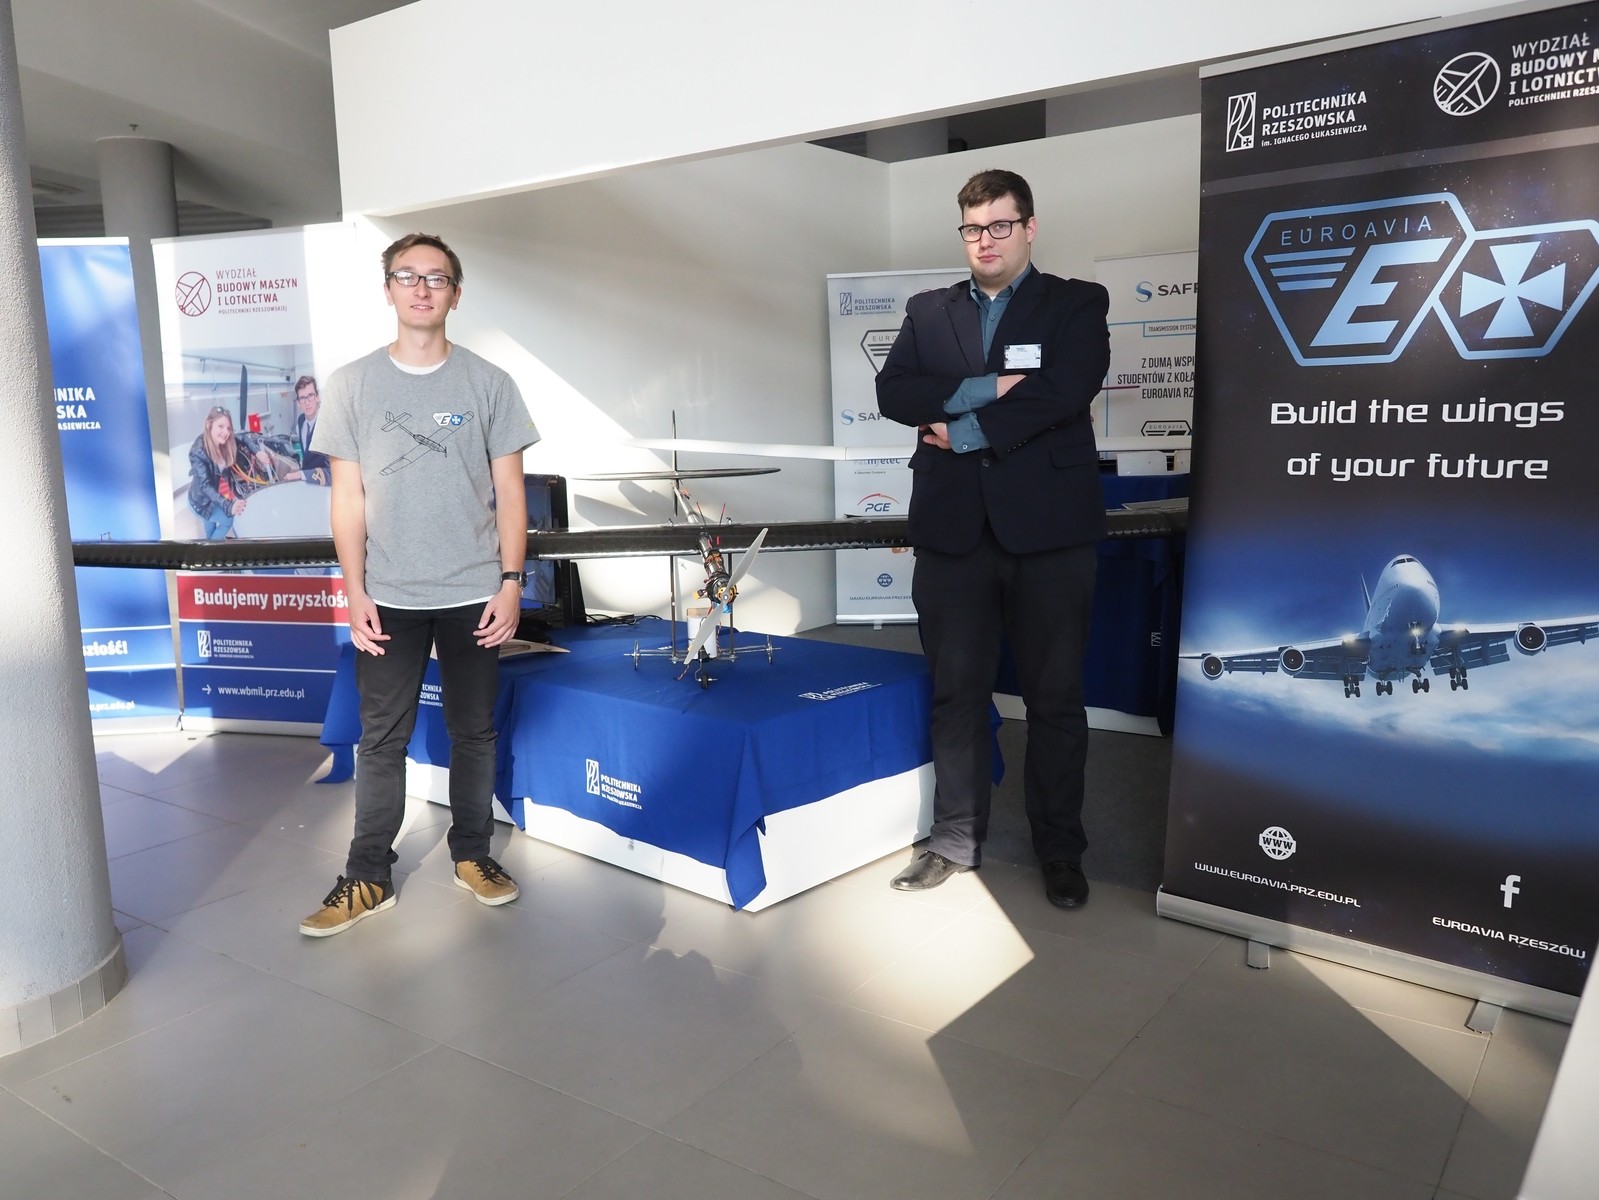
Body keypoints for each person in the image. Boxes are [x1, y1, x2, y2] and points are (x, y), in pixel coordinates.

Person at [876, 169, 1109, 908]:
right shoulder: (928, 310)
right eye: (973, 229)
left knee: (1055, 699)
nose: (985, 241)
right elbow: (893, 392)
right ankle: (954, 839)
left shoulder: (1075, 302)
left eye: (1000, 226)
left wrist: (964, 429)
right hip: (953, 533)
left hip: (1050, 533)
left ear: (1028, 228)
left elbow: (1067, 388)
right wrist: (987, 388)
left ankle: (1060, 847)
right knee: (956, 695)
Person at [299, 232, 540, 937]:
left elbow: (511, 493)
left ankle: (472, 854)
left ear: (455, 295)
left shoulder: (489, 383)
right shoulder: (352, 385)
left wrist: (510, 582)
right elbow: (347, 498)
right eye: (407, 275)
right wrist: (354, 590)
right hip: (388, 595)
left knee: (474, 731)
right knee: (380, 739)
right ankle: (368, 875)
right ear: (389, 291)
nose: (422, 288)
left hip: (473, 590)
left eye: (436, 277)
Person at [187, 405, 302, 539]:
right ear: (209, 425)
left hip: (211, 497)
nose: (225, 432)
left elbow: (244, 437)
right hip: (200, 502)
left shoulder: (224, 441)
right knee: (228, 520)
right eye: (220, 426)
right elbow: (205, 486)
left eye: (228, 428)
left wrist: (258, 452)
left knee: (210, 528)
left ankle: (210, 542)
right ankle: (212, 548)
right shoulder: (198, 451)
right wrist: (229, 506)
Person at [293, 374, 332, 480]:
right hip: (307, 482)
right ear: (298, 403)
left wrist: (302, 475)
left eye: (310, 395)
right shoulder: (301, 420)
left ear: (317, 397)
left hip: (324, 484)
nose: (307, 402)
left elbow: (333, 472)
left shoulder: (327, 426)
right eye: (302, 398)